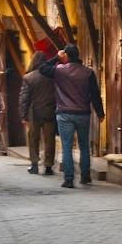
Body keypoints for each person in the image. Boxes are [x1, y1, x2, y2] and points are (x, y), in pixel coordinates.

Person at [43, 44, 103, 189]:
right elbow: (95, 94)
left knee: (67, 147)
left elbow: (42, 68)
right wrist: (100, 112)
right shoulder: (88, 72)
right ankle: (85, 176)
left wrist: (56, 57)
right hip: (83, 114)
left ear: (66, 56)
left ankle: (69, 179)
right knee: (84, 146)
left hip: (64, 114)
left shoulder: (58, 71)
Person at [18, 60, 58, 176]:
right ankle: (48, 166)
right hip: (50, 111)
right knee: (49, 139)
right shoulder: (52, 77)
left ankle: (34, 165)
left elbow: (24, 98)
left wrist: (23, 115)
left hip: (34, 113)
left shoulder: (28, 77)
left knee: (33, 139)